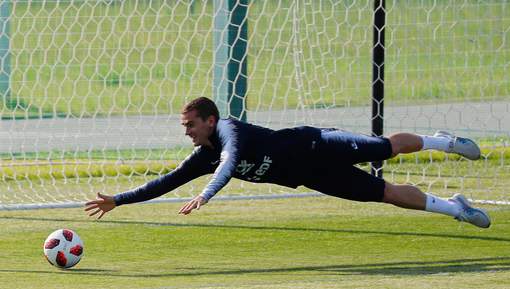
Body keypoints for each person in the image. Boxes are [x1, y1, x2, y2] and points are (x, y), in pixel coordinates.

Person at [85, 97, 491, 228]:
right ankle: (456, 207)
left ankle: (445, 141)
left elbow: (229, 164)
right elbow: (168, 182)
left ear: (210, 120)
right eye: (185, 126)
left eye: (191, 124)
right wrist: (118, 200)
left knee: (385, 148)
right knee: (383, 194)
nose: (187, 131)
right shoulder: (202, 155)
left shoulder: (229, 133)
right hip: (311, 176)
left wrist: (207, 195)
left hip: (317, 144)